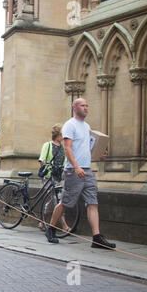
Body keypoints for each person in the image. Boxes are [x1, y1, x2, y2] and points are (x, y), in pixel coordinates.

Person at [45, 98, 116, 250]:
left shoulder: (86, 126)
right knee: (65, 202)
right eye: (83, 105)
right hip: (73, 171)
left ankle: (96, 238)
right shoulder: (70, 125)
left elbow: (86, 149)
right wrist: (76, 167)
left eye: (87, 106)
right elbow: (67, 148)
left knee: (93, 202)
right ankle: (51, 229)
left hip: (87, 170)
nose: (86, 108)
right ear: (74, 107)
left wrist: (98, 156)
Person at [38, 124, 69, 232]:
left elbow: (65, 161)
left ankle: (42, 220)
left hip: (58, 177)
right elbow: (42, 159)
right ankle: (64, 226)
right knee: (56, 200)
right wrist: (46, 165)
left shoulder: (64, 147)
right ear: (57, 135)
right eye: (62, 134)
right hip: (49, 177)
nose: (64, 136)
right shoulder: (48, 145)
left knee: (53, 200)